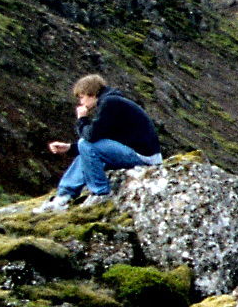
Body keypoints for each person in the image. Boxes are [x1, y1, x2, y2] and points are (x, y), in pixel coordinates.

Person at [37, 74, 163, 211]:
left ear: (90, 93)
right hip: (138, 153)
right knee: (84, 152)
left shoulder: (110, 103)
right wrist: (69, 148)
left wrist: (82, 119)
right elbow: (103, 138)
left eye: (81, 97)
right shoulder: (113, 102)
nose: (81, 102)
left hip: (144, 157)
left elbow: (90, 137)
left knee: (85, 144)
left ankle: (100, 192)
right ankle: (62, 197)